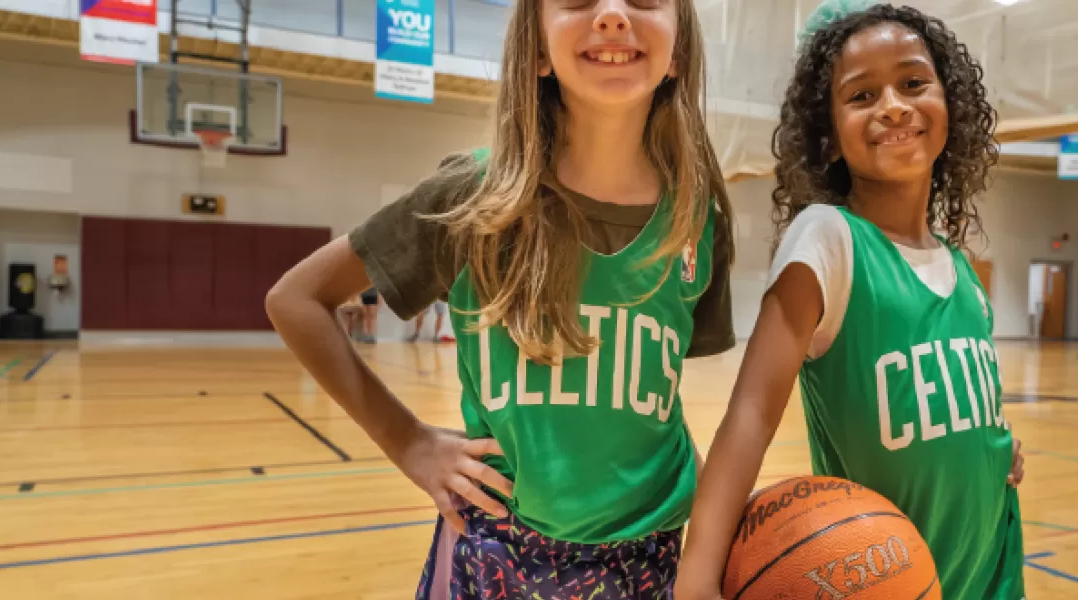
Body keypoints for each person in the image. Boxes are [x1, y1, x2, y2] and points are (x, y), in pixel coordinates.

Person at [265, 0, 733, 597]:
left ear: (680, 50)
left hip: (655, 553)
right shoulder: (473, 197)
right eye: (577, 1)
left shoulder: (699, 219)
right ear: (536, 48)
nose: (612, 15)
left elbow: (655, 403)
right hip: (503, 548)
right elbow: (297, 299)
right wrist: (408, 442)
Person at [675, 3, 1024, 600]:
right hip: (885, 579)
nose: (892, 105)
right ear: (829, 139)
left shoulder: (963, 270)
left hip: (996, 572)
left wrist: (991, 448)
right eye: (862, 96)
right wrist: (698, 577)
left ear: (952, 107)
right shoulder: (830, 238)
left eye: (914, 83)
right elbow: (752, 415)